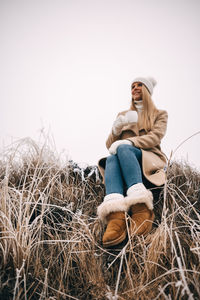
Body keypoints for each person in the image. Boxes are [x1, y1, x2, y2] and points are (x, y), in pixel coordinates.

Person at [97, 76, 168, 247]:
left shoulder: (159, 114)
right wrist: (116, 130)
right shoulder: (123, 115)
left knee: (122, 149)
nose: (135, 88)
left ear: (147, 91)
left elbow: (155, 137)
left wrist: (129, 142)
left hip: (148, 157)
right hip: (122, 157)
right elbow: (109, 145)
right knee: (112, 157)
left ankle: (141, 208)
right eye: (132, 86)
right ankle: (116, 216)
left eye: (139, 85)